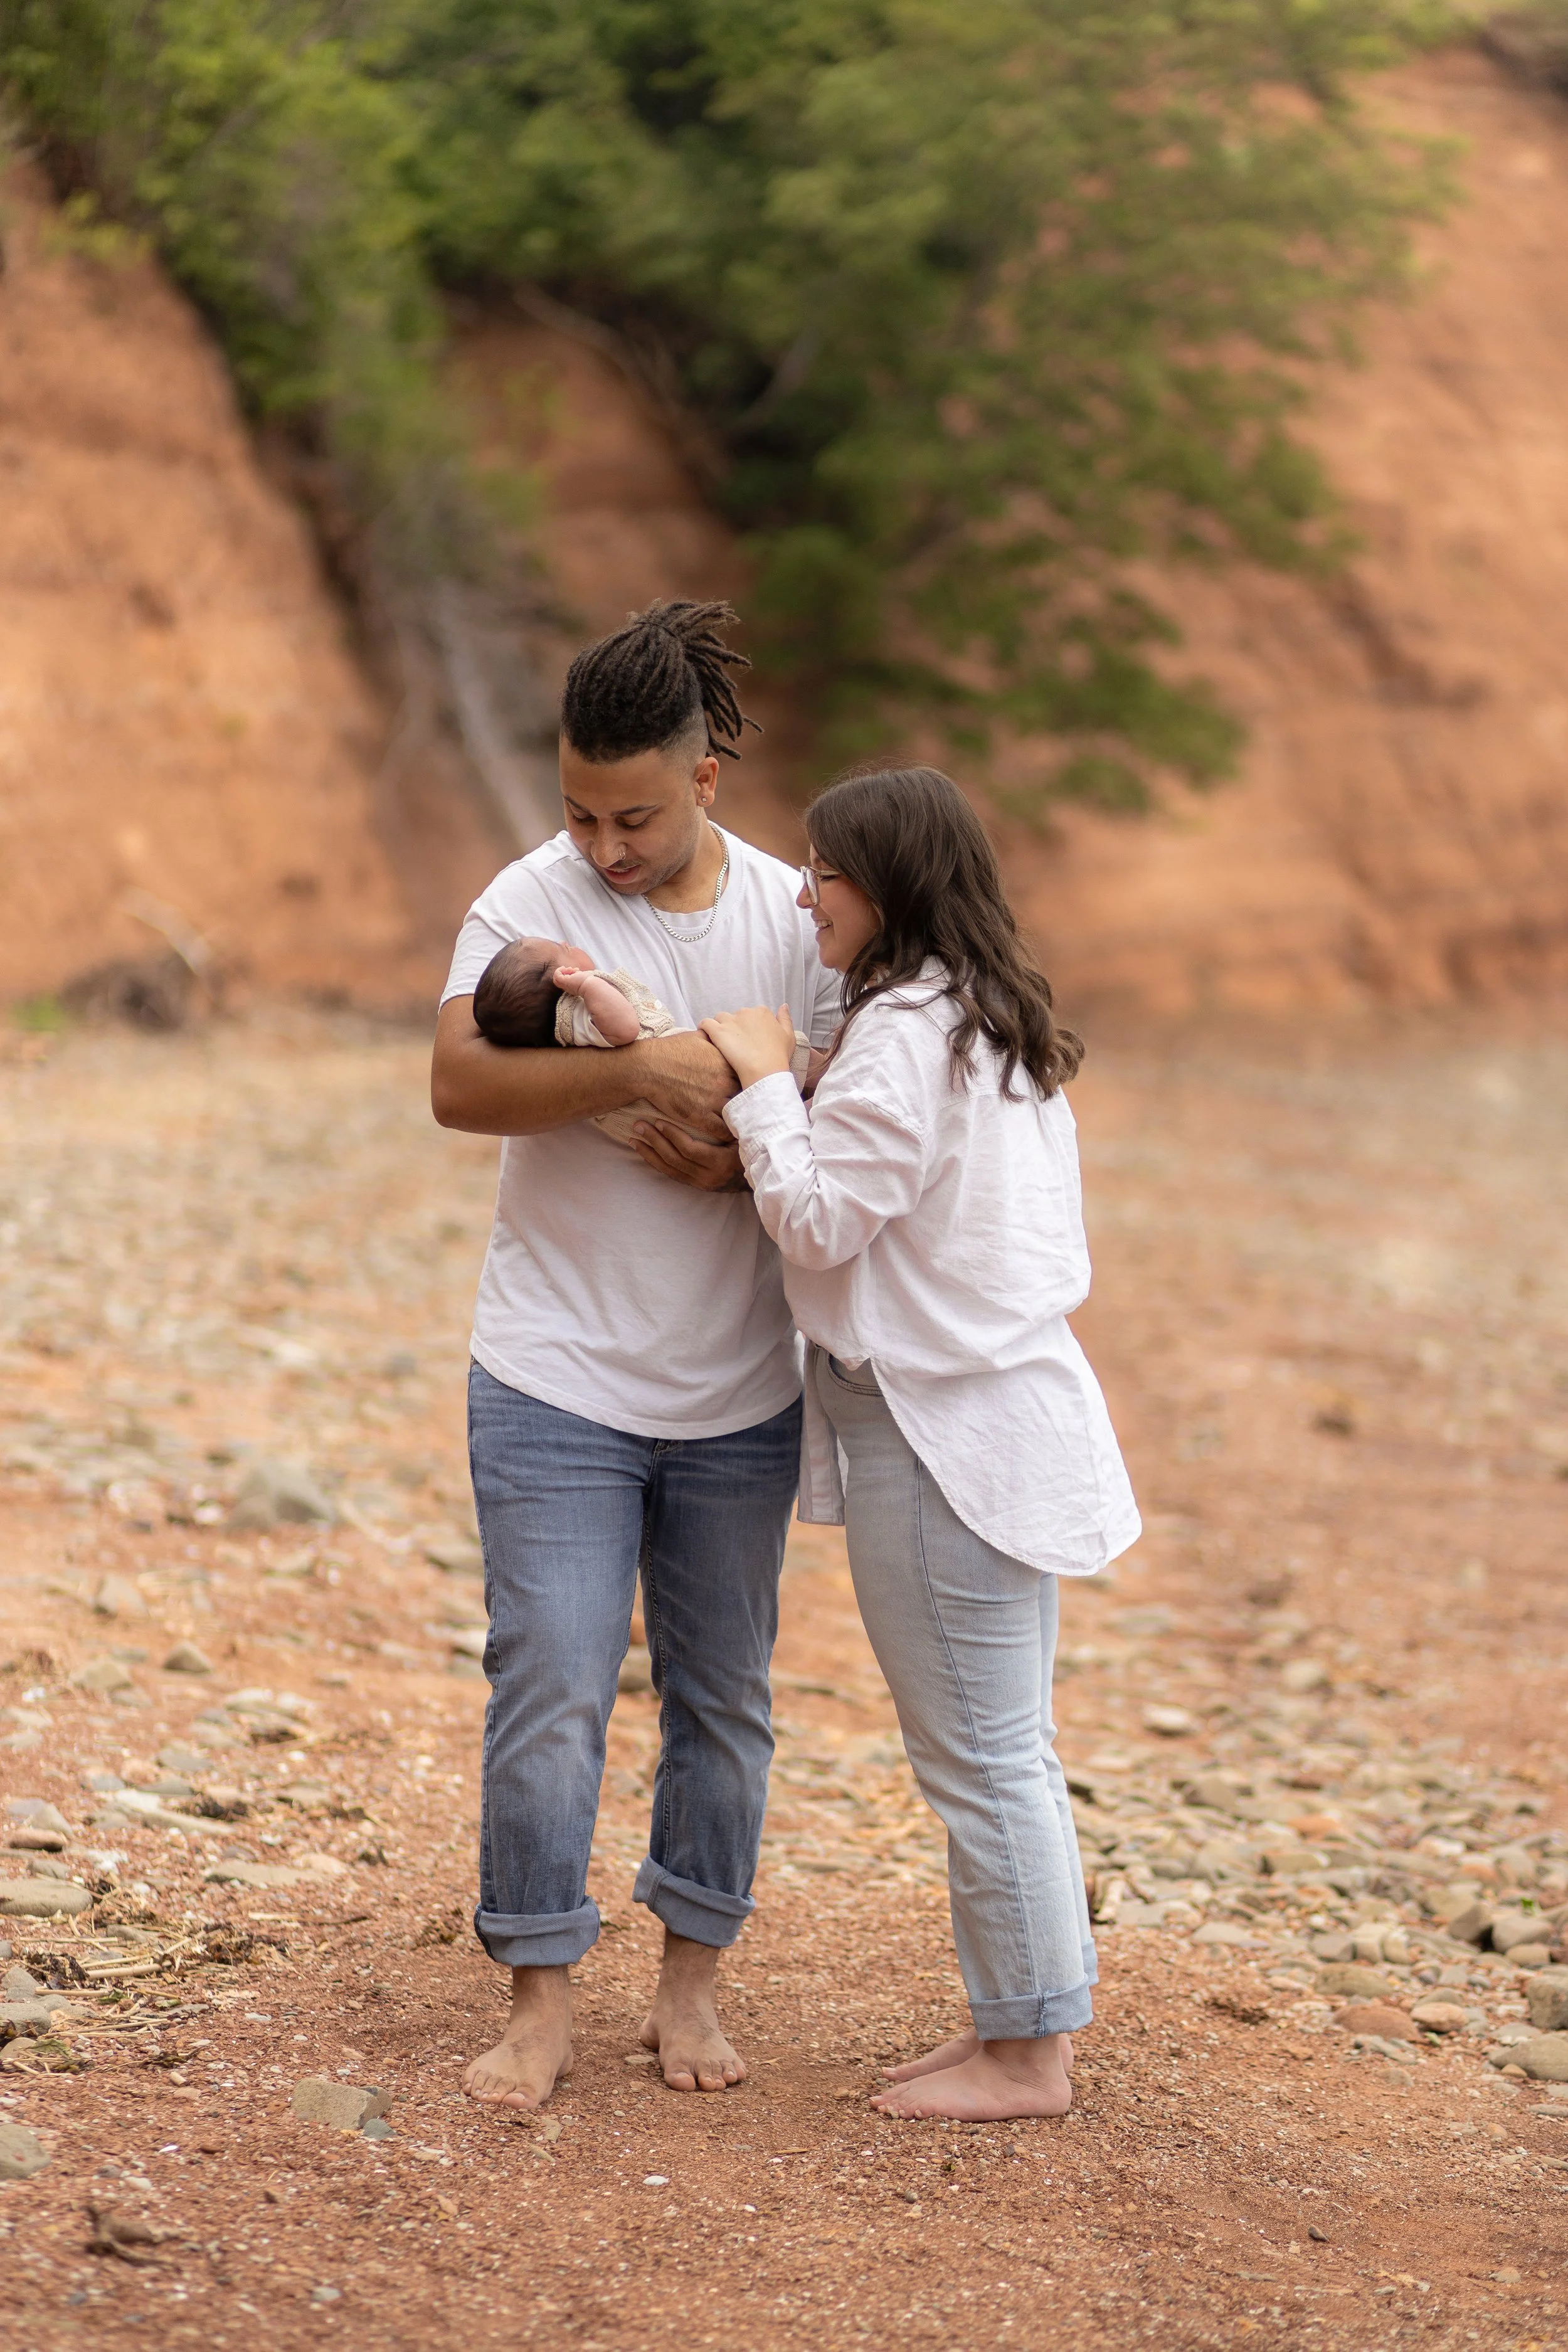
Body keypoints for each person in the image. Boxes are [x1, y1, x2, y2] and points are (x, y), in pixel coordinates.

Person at [430, 599, 842, 2110]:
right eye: (579, 810)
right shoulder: (524, 899)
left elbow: (850, 1125)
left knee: (724, 1693)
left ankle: (691, 1979)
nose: (602, 847)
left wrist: (737, 1154)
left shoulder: (799, 919)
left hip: (740, 1389)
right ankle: (538, 1991)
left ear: (710, 779)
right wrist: (651, 1064)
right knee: (547, 1674)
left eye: (636, 815)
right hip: (551, 1374)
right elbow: (457, 1080)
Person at [700, 765, 1141, 2122]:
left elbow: (823, 1222)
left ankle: (1026, 2057)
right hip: (975, 1414)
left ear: (884, 885)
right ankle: (1013, 2024)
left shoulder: (906, 1033)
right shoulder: (971, 1019)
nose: (800, 890)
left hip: (938, 1430)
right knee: (998, 1742)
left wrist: (767, 1089)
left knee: (981, 1754)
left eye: (824, 869)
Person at [471, 934, 812, 1147]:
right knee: (792, 1059)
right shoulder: (576, 1017)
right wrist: (589, 986)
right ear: (565, 979)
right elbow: (625, 1030)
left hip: (693, 1112)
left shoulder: (569, 1028)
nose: (570, 944)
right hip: (701, 1100)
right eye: (563, 949)